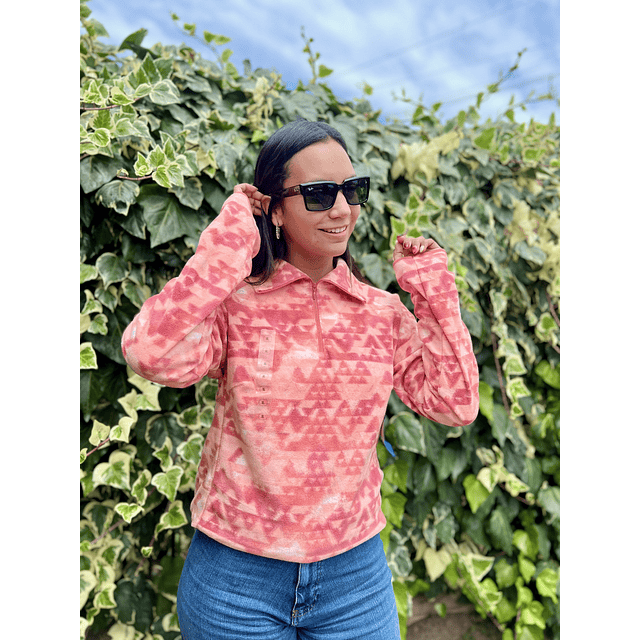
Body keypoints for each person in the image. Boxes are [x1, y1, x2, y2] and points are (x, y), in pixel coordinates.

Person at [121, 119, 479, 639]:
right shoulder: (236, 305)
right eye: (318, 194)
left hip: (354, 577)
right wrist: (227, 246)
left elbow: (455, 403)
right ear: (275, 209)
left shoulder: (381, 313)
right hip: (236, 578)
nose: (341, 209)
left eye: (352, 190)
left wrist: (432, 293)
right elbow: (149, 353)